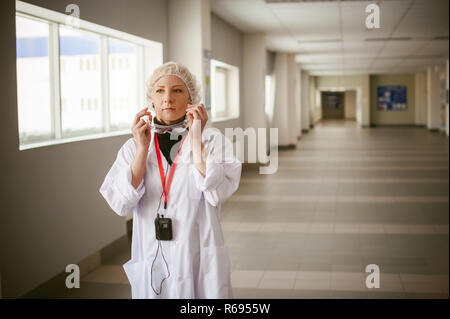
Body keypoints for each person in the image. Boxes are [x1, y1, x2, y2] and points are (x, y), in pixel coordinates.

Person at [99, 61, 241, 299]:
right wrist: (142, 150)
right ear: (151, 100)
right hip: (153, 249)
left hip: (198, 248)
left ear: (191, 98)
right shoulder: (133, 146)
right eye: (160, 91)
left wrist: (196, 139)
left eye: (177, 90)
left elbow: (217, 192)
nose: (168, 98)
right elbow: (121, 202)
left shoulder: (212, 141)